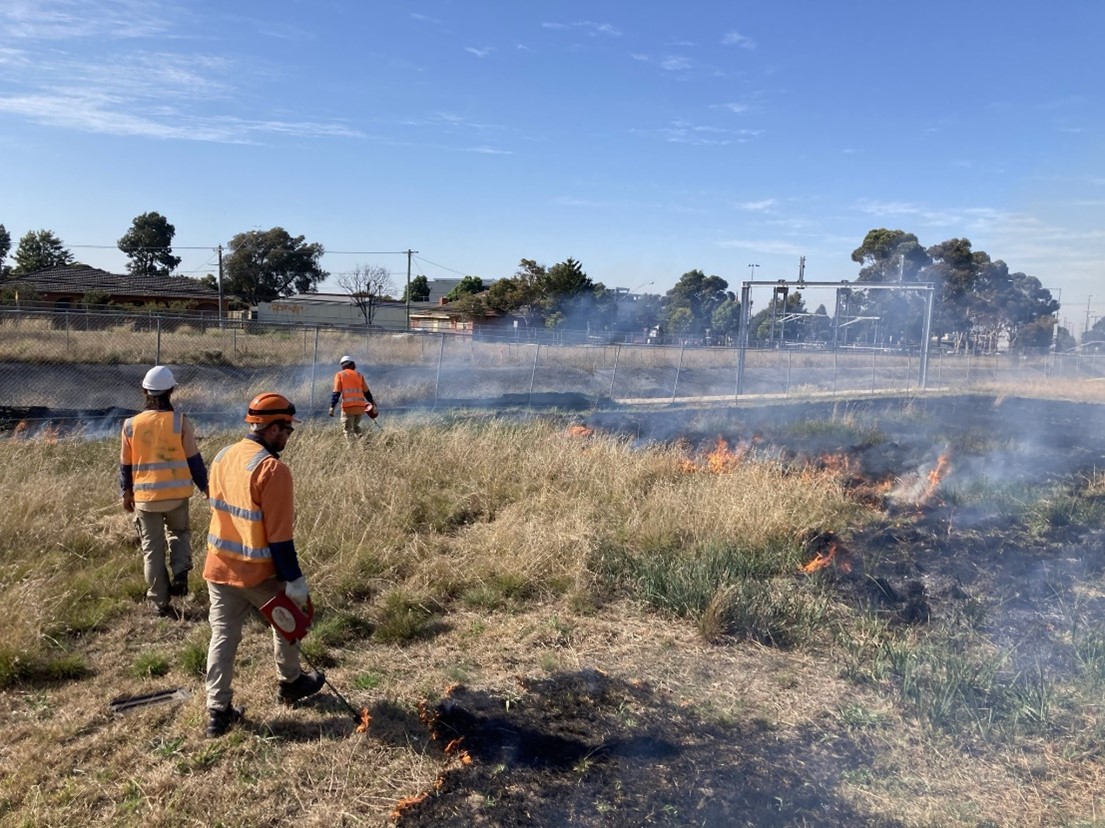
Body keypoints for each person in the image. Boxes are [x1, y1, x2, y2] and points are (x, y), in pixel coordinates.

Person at [203, 392, 324, 737]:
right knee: (288, 620)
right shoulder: (273, 470)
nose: (289, 436)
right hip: (257, 573)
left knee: (223, 636)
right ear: (272, 428)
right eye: (287, 429)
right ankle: (290, 683)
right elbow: (280, 538)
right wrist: (295, 582)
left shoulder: (224, 455)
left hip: (219, 565)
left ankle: (217, 711)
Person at [119, 365, 208, 618]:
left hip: (146, 499)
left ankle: (160, 603)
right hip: (177, 495)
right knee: (179, 533)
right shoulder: (180, 422)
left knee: (152, 548)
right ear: (171, 391)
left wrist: (127, 492)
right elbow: (194, 461)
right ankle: (180, 571)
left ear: (145, 391)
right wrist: (206, 488)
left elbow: (125, 465)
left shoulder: (130, 425)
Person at [328, 355, 377, 440]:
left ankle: (350, 449)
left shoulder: (340, 375)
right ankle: (364, 443)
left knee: (347, 429)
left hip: (348, 407)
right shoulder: (359, 375)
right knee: (355, 427)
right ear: (352, 364)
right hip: (360, 407)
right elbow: (366, 392)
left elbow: (336, 392)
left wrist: (332, 406)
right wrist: (372, 402)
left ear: (342, 365)